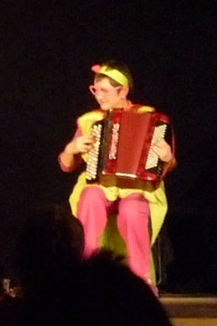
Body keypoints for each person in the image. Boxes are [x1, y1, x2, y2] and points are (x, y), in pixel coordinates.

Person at [58, 61, 175, 288]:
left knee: (133, 209)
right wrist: (71, 150)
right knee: (90, 198)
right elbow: (66, 165)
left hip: (137, 186)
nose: (98, 96)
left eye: (105, 91)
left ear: (123, 91)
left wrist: (166, 158)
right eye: (95, 90)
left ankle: (141, 281)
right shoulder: (90, 120)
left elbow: (168, 164)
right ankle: (85, 272)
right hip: (101, 184)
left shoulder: (148, 117)